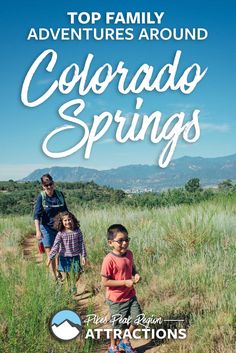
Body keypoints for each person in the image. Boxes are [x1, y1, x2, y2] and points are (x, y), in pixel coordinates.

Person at [101, 224, 141, 353]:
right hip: (117, 299)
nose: (124, 243)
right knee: (118, 325)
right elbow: (105, 282)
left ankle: (125, 340)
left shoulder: (129, 254)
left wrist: (136, 274)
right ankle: (113, 346)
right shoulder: (109, 260)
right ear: (110, 243)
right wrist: (124, 282)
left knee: (137, 318)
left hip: (130, 295)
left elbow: (131, 268)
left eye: (126, 240)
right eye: (120, 241)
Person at [34, 174, 68, 279]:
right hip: (46, 227)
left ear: (53, 183)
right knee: (50, 252)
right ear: (43, 186)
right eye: (46, 185)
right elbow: (36, 215)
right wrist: (38, 231)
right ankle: (53, 277)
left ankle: (57, 269)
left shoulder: (59, 195)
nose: (49, 187)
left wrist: (69, 225)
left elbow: (66, 211)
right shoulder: (41, 197)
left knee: (58, 250)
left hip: (59, 227)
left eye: (50, 184)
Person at [47, 211, 87, 294]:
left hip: (75, 256)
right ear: (61, 222)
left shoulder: (77, 231)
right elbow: (55, 246)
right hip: (64, 257)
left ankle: (73, 284)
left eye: (69, 219)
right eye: (65, 220)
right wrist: (50, 257)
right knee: (66, 274)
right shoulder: (60, 233)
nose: (67, 222)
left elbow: (81, 243)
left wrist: (83, 256)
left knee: (78, 273)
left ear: (73, 220)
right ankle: (70, 287)